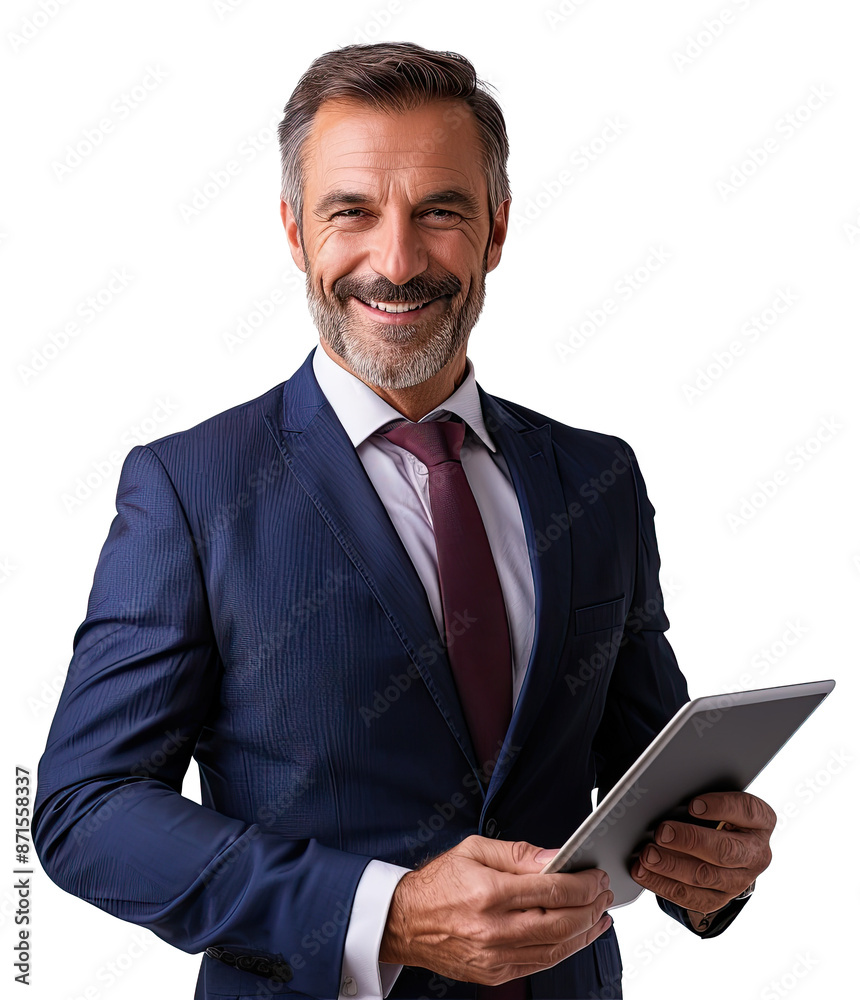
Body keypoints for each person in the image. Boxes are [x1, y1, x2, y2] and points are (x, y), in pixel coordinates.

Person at [33, 41, 776, 1000]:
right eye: (351, 212)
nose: (396, 261)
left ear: (496, 230)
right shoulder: (191, 489)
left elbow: (646, 773)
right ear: (295, 231)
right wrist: (383, 914)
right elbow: (86, 811)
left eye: (440, 212)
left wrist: (709, 861)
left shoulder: (598, 478)